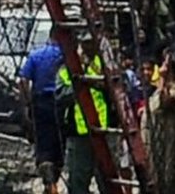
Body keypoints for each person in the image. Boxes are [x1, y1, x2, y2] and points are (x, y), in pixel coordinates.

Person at [56, 33, 110, 194]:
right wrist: (79, 83)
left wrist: (91, 73)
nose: (89, 47)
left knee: (107, 179)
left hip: (104, 131)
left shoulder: (103, 64)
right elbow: (60, 95)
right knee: (78, 181)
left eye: (92, 43)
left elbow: (112, 87)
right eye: (85, 43)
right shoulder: (68, 68)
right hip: (79, 133)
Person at [19, 28, 65, 194]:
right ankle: (53, 182)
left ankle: (49, 183)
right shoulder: (66, 56)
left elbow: (23, 80)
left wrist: (27, 103)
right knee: (59, 143)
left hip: (41, 103)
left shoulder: (36, 55)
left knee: (43, 144)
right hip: (61, 104)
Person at [142, 51, 175, 194]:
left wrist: (164, 79)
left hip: (170, 141)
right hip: (156, 140)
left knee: (171, 178)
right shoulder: (160, 84)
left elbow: (168, 102)